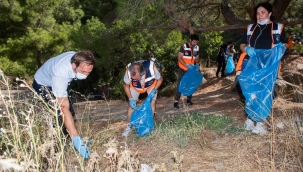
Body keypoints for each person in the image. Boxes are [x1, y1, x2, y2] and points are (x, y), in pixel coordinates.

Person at [32, 50, 96, 159]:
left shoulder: (78, 57)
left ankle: (69, 139)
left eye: (88, 72)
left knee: (70, 112)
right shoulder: (60, 74)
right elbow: (63, 107)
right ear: (73, 65)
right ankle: (58, 148)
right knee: (59, 115)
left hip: (55, 79)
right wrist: (76, 136)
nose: (85, 75)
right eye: (83, 72)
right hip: (43, 84)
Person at [238, 2, 288, 135]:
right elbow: (242, 44)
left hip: (268, 67)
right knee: (250, 92)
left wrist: (280, 48)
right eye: (258, 13)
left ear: (270, 13)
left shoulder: (278, 27)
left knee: (264, 93)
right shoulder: (250, 28)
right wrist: (247, 49)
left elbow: (285, 44)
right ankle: (249, 119)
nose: (259, 16)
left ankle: (261, 123)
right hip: (251, 64)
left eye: (263, 12)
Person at [122, 60, 163, 136]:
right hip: (135, 88)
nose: (137, 80)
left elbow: (160, 79)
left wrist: (155, 89)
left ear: (143, 72)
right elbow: (126, 85)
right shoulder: (128, 71)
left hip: (151, 85)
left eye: (138, 78)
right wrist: (130, 98)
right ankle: (129, 126)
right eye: (135, 79)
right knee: (131, 105)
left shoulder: (151, 68)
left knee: (152, 102)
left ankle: (149, 124)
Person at [173, 34, 200, 109]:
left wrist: (197, 65)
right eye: (194, 42)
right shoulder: (184, 46)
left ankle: (189, 100)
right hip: (183, 69)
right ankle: (176, 102)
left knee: (191, 84)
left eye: (196, 42)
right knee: (180, 84)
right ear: (190, 40)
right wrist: (186, 65)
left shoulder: (197, 48)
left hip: (192, 70)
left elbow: (197, 57)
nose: (195, 43)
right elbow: (179, 58)